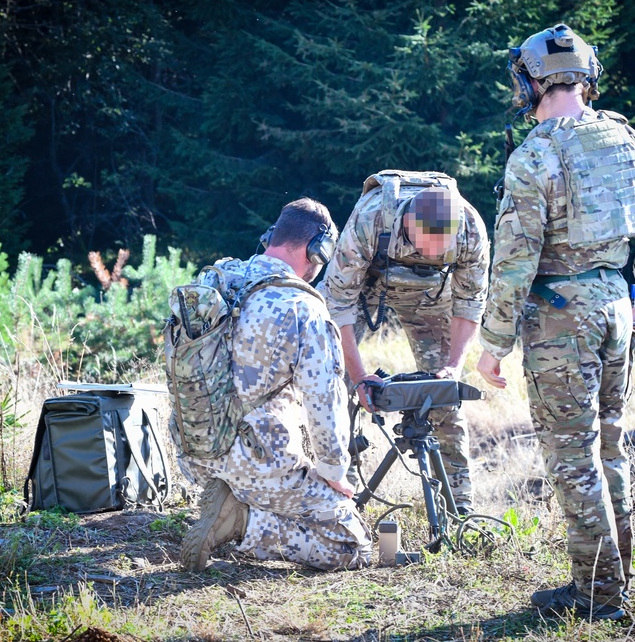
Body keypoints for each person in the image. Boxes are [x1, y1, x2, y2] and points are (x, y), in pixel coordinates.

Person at [476, 24, 635, 620]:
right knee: (609, 447)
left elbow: (514, 263)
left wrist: (492, 345)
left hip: (561, 319)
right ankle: (613, 581)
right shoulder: (631, 142)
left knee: (574, 457)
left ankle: (598, 596)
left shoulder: (535, 154)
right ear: (587, 77)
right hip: (617, 304)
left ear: (529, 81)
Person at [178, 197, 372, 572]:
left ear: (272, 236)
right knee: (353, 548)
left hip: (197, 453)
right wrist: (334, 475)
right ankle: (242, 521)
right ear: (319, 249)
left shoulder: (214, 280)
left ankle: (235, 499)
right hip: (258, 464)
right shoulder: (303, 307)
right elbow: (325, 407)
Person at [320, 171, 490, 515]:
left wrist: (453, 368)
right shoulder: (370, 220)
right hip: (367, 286)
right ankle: (342, 502)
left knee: (444, 396)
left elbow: (470, 302)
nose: (429, 254)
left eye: (439, 250)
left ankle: (459, 510)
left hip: (430, 294)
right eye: (423, 247)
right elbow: (337, 304)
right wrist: (358, 377)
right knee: (332, 382)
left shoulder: (470, 228)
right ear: (407, 224)